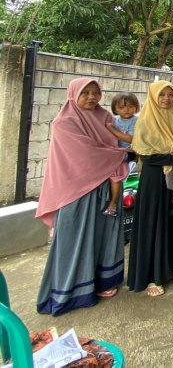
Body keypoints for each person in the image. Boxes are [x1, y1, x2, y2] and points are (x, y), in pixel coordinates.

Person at [36, 78, 129, 315]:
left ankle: (104, 282)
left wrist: (120, 153)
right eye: (85, 93)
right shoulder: (64, 122)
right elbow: (86, 155)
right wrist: (122, 154)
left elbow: (116, 140)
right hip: (76, 192)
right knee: (75, 239)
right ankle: (69, 292)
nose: (91, 97)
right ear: (73, 94)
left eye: (95, 93)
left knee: (103, 236)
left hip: (105, 188)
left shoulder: (105, 117)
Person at [128, 80, 173, 297]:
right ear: (153, 97)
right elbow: (147, 157)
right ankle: (151, 277)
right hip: (155, 179)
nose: (166, 99)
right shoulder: (145, 122)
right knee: (155, 223)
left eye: (170, 94)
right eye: (162, 95)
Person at [103, 92, 140, 216]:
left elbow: (132, 139)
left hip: (129, 153)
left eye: (130, 106)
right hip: (115, 151)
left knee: (116, 174)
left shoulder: (137, 121)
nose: (127, 110)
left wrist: (113, 130)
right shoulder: (114, 120)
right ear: (115, 109)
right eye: (122, 107)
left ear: (136, 107)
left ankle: (113, 202)